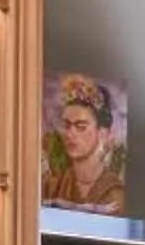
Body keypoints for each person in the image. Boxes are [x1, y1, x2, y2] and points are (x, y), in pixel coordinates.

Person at [47, 76, 126, 210]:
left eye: (81, 127)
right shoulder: (51, 187)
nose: (70, 134)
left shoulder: (115, 192)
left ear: (102, 133)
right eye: (67, 125)